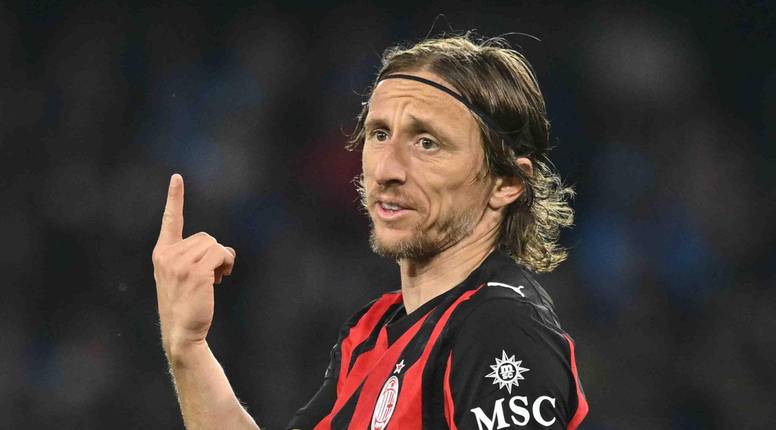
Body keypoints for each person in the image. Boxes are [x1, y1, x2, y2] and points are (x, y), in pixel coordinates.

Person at [152, 34, 588, 430]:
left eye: (426, 142)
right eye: (379, 134)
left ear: (506, 183)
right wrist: (188, 349)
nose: (386, 169)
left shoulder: (499, 328)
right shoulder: (371, 331)